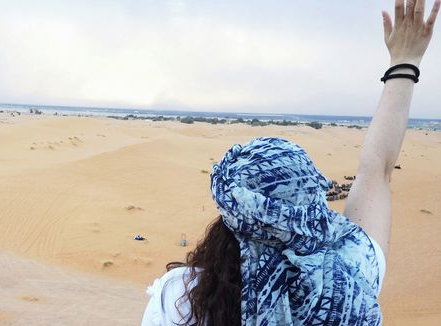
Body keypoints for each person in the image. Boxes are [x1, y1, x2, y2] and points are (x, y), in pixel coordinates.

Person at [141, 0, 440, 325]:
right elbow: (377, 169)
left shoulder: (178, 299)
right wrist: (404, 62)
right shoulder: (353, 274)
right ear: (312, 206)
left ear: (231, 210)